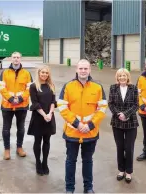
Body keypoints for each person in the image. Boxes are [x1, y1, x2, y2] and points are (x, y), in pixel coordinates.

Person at [57, 59, 107, 194]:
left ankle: (88, 187)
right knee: (70, 161)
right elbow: (62, 107)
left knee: (88, 161)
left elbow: (102, 109)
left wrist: (90, 125)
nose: (83, 71)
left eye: (86, 68)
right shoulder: (68, 86)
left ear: (90, 70)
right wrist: (77, 123)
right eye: (81, 68)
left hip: (90, 133)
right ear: (76, 70)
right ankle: (69, 188)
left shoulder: (97, 87)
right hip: (72, 132)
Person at [0, 52, 33, 160]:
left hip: (22, 105)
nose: (16, 59)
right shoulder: (4, 72)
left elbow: (29, 88)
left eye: (18, 57)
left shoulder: (26, 73)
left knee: (21, 128)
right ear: (11, 59)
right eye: (14, 57)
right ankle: (7, 149)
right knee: (6, 128)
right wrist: (11, 99)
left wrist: (21, 99)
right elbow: (1, 87)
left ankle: (19, 147)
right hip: (7, 105)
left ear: (20, 59)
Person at [108, 68, 139, 183]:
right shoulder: (113, 88)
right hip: (117, 122)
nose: (122, 78)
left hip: (131, 123)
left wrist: (126, 114)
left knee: (129, 148)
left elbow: (136, 105)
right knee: (120, 147)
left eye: (124, 75)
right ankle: (121, 170)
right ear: (117, 77)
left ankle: (129, 172)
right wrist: (118, 114)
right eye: (120, 76)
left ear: (128, 77)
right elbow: (110, 104)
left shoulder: (134, 88)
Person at [27, 65, 57, 176]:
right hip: (39, 117)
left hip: (49, 116)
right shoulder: (34, 86)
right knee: (38, 141)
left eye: (46, 73)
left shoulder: (51, 85)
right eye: (42, 72)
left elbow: (53, 102)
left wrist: (50, 114)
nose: (44, 74)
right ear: (39, 73)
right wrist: (44, 115)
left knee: (47, 141)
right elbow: (35, 103)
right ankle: (38, 163)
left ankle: (45, 162)